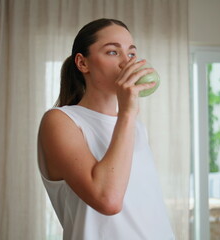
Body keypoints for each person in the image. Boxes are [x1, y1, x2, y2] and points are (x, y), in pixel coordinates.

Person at [37, 18, 174, 240]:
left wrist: (128, 117)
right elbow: (107, 200)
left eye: (131, 53)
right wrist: (128, 113)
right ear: (82, 63)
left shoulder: (136, 127)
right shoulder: (60, 120)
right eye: (112, 52)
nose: (126, 63)